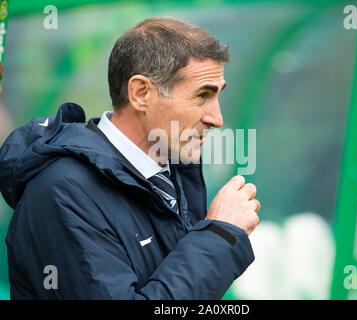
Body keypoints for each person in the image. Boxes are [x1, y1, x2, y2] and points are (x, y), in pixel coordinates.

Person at [0, 17, 260, 299]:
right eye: (202, 96)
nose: (217, 118)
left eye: (218, 96)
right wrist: (219, 237)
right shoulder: (62, 191)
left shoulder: (171, 170)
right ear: (140, 93)